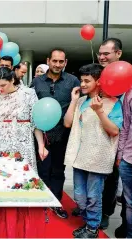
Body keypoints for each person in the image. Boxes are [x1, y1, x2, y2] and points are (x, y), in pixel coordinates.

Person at [64, 63, 122, 238]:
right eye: (81, 80)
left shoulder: (113, 102)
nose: (82, 84)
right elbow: (67, 123)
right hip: (79, 156)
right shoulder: (81, 100)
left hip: (98, 156)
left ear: (99, 81)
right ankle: (87, 220)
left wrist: (99, 112)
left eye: (87, 81)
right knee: (80, 196)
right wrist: (74, 101)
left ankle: (92, 228)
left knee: (94, 196)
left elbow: (114, 131)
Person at [30, 48, 80, 219]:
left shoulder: (73, 81)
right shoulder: (37, 82)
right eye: (55, 61)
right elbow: (31, 107)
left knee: (58, 171)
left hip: (63, 134)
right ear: (48, 60)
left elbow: (78, 106)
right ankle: (42, 203)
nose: (57, 64)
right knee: (42, 170)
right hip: (41, 135)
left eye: (61, 61)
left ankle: (56, 203)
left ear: (65, 63)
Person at [0, 68, 48, 171]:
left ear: (12, 80)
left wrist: (41, 145)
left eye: (3, 85)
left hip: (22, 144)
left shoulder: (28, 94)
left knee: (22, 177)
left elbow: (35, 122)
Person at [97, 38, 125, 233]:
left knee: (111, 178)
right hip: (99, 134)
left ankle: (106, 212)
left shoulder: (126, 76)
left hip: (120, 136)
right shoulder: (98, 74)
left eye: (106, 53)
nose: (102, 57)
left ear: (118, 54)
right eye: (100, 53)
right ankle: (92, 209)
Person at [118, 88, 132, 239]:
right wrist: (120, 154)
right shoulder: (130, 94)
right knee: (129, 204)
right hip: (128, 158)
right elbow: (125, 126)